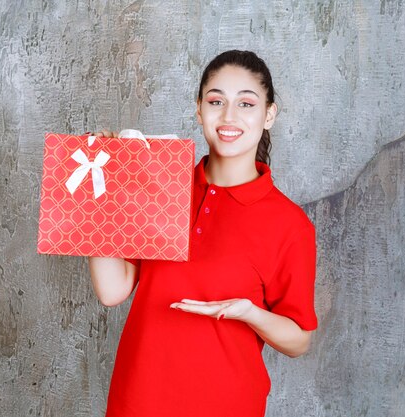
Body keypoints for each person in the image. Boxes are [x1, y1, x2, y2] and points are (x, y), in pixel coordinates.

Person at [88, 50, 318, 417]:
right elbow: (113, 289)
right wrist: (106, 189)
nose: (229, 116)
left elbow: (299, 340)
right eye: (216, 101)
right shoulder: (158, 186)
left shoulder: (290, 225)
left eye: (246, 103)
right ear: (199, 110)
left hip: (227, 404)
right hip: (139, 400)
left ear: (268, 114)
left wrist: (249, 313)